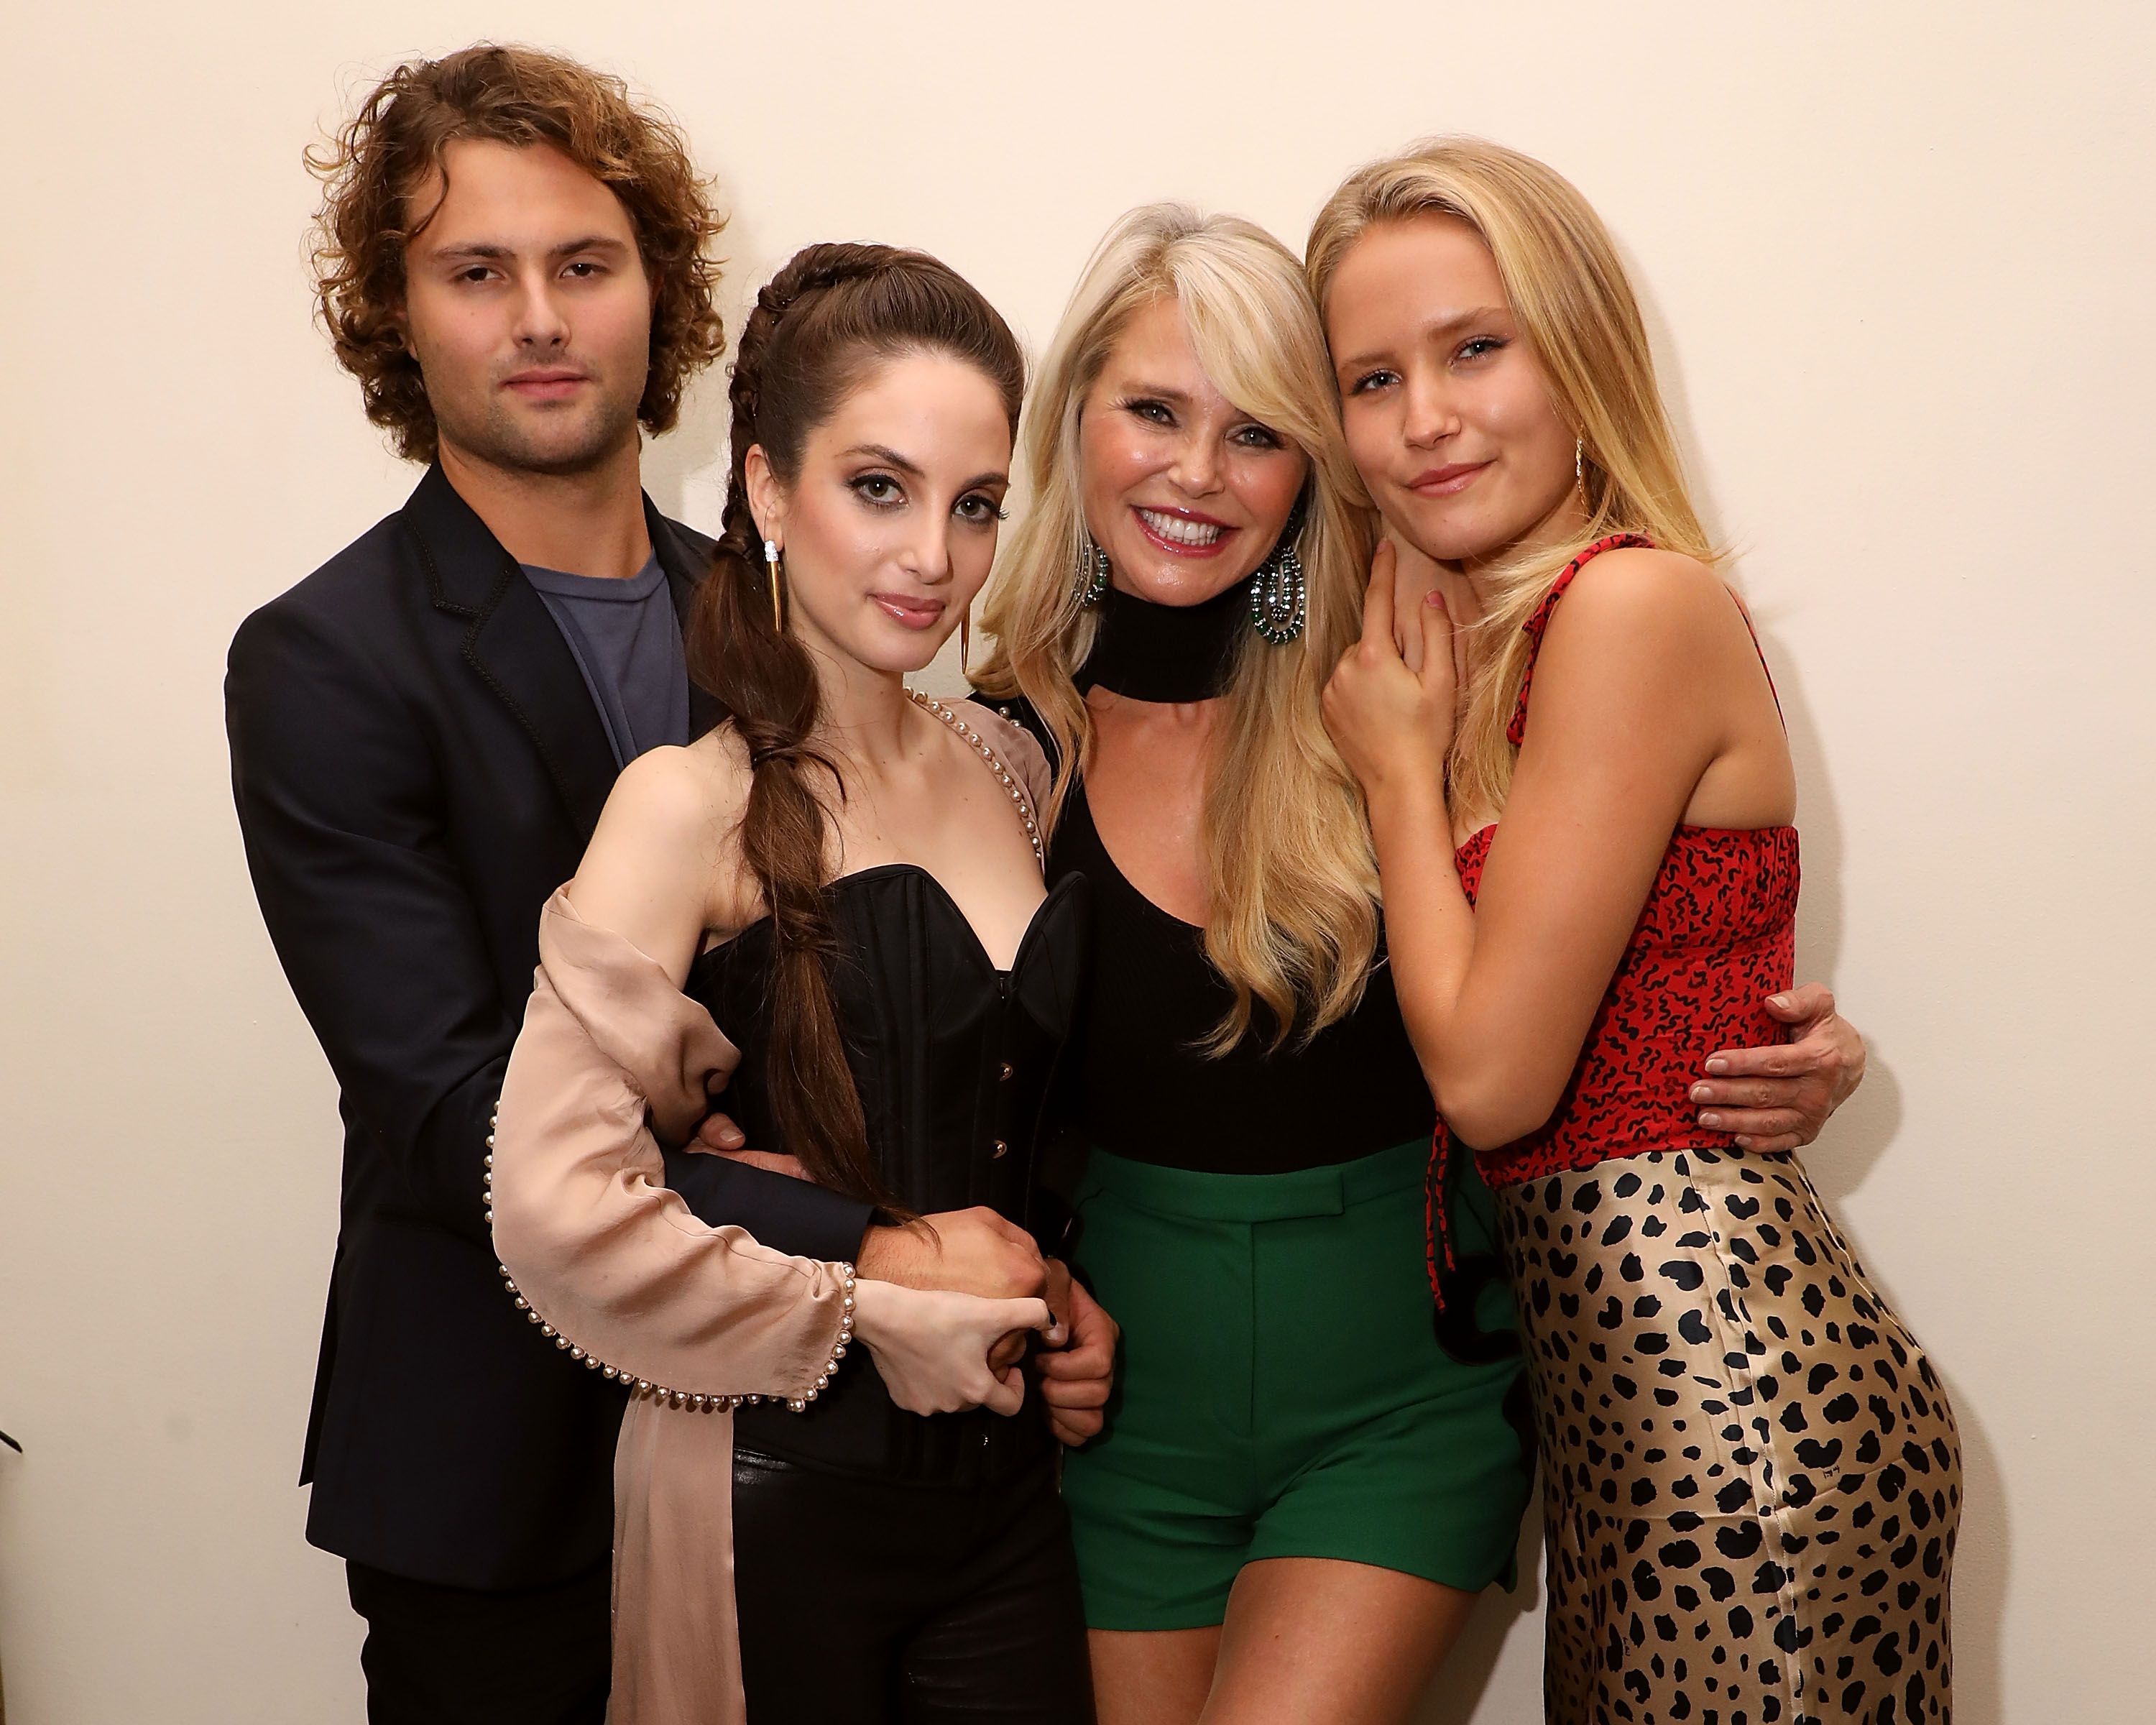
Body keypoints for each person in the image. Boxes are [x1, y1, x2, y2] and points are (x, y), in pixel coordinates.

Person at [226, 46, 1105, 1722]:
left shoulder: (803, 613)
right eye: (476, 271)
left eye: (585, 263)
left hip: (838, 1454)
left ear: (660, 294)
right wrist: (868, 1241)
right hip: (503, 1466)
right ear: (397, 316)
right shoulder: (324, 663)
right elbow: (445, 1105)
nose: (540, 317)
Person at [968, 204, 1872, 1725]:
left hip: (1406, 1389)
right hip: (1122, 1411)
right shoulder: (998, 743)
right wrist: (1020, 1265)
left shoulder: (1398, 682)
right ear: (1075, 426)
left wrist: (1779, 1045)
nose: (1197, 473)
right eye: (1151, 412)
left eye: (1258, 430)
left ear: (1310, 466)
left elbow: (1586, 947)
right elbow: (943, 1084)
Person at [1310, 138, 1960, 1724]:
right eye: (1372, 378)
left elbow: (1491, 1082)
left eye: (1477, 346)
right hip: (1628, 1433)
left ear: (1580, 344)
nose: (1427, 418)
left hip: (1739, 1422)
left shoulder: (1625, 612)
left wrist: (1396, 778)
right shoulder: (1480, 637)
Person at [488, 242, 1104, 1724]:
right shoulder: (681, 805)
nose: (931, 558)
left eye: (973, 507)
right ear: (769, 490)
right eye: (877, 488)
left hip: (1012, 1505)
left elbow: (1004, 1120)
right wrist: (877, 1301)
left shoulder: (1014, 765)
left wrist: (1060, 1295)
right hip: (765, 1502)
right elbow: (553, 1208)